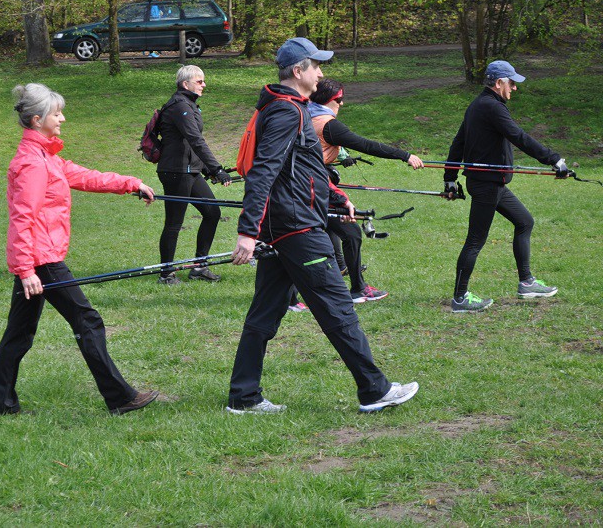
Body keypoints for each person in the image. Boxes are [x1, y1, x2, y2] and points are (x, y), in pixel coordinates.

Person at [227, 38, 419, 414]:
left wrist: (336, 196)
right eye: (316, 66)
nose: (321, 73)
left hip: (285, 226)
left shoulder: (291, 109)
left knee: (264, 314)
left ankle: (243, 396)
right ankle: (374, 390)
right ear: (298, 71)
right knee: (338, 308)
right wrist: (247, 232)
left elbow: (304, 168)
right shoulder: (285, 112)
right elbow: (264, 172)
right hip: (297, 229)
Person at [0, 83, 159, 416]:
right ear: (37, 119)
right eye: (56, 113)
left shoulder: (44, 156)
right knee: (88, 320)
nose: (62, 118)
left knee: (19, 334)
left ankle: (0, 405)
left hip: (39, 259)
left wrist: (130, 184)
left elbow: (83, 176)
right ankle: (120, 397)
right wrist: (25, 271)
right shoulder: (34, 164)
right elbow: (23, 219)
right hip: (42, 260)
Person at [444, 60, 569, 313]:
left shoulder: (479, 105)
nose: (514, 88)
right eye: (511, 83)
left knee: (524, 222)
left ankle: (527, 282)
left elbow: (458, 143)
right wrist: (553, 159)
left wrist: (450, 177)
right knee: (475, 240)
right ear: (499, 83)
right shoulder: (491, 107)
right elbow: (519, 137)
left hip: (494, 184)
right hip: (486, 185)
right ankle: (459, 298)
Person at [308, 78, 425, 303]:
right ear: (330, 100)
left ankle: (346, 286)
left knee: (338, 233)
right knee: (347, 233)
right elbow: (367, 145)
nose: (341, 104)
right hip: (313, 187)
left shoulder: (306, 114)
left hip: (308, 184)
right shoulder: (328, 124)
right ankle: (354, 289)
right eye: (339, 99)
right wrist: (405, 155)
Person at [155, 65, 231, 285]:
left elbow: (189, 143)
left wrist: (207, 170)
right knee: (174, 223)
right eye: (200, 81)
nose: (204, 85)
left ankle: (199, 266)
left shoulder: (189, 105)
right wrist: (216, 168)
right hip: (176, 171)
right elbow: (196, 139)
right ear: (185, 84)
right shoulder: (180, 106)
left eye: (203, 81)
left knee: (212, 213)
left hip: (190, 170)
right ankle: (165, 273)